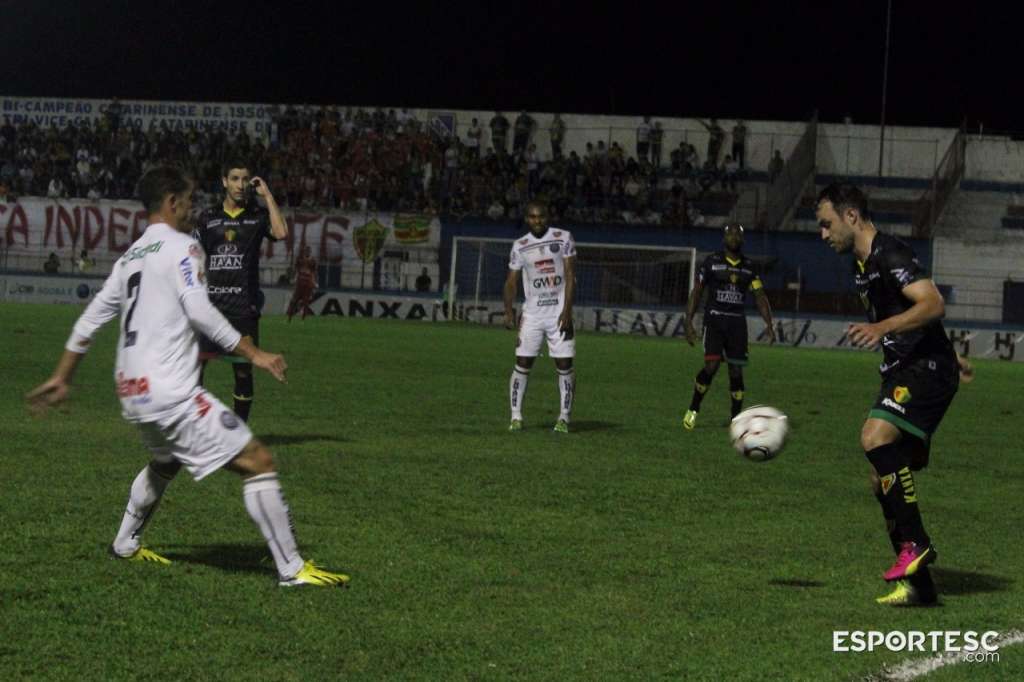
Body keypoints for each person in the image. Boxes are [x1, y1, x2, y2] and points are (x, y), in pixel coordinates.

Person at [25, 166, 347, 587]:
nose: (193, 207)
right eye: (189, 199)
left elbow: (89, 320)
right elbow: (199, 311)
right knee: (259, 462)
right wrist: (255, 353)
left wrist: (62, 376)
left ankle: (125, 542)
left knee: (166, 461)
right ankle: (292, 569)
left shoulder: (130, 256)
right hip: (170, 391)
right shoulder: (183, 247)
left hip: (132, 392)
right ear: (171, 202)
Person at [816, 183, 961, 607]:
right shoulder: (862, 264)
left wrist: (881, 328)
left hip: (925, 371)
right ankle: (921, 588)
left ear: (851, 216)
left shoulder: (890, 253)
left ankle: (917, 543)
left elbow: (932, 303)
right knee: (882, 482)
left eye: (826, 224)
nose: (823, 235)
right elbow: (917, 317)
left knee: (874, 436)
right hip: (909, 368)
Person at [193, 160, 288, 422]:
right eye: (234, 178)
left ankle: (239, 432)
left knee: (243, 372)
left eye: (245, 179)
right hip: (210, 307)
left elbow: (280, 232)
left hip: (243, 308)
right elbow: (194, 256)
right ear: (224, 181)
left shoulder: (257, 216)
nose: (240, 184)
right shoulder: (208, 217)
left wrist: (267, 196)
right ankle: (196, 428)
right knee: (195, 367)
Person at [683, 223, 776, 430]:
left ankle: (736, 419)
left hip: (736, 324)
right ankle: (694, 408)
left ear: (742, 239)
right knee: (712, 366)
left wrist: (769, 323)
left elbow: (760, 296)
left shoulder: (749, 267)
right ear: (724, 238)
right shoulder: (711, 263)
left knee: (736, 371)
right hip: (714, 320)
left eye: (738, 234)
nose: (734, 237)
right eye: (730, 234)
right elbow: (697, 291)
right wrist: (688, 320)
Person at [503, 202, 577, 433]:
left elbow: (570, 275)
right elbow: (511, 281)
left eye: (541, 216)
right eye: (533, 217)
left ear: (548, 217)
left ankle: (564, 418)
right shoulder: (520, 245)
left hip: (558, 313)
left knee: (564, 365)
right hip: (532, 315)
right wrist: (508, 311)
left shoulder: (563, 238)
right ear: (527, 219)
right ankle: (516, 417)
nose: (538, 221)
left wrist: (567, 311)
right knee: (522, 363)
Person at [287, 245, 317, 322]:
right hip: (300, 282)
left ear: (310, 252)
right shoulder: (299, 259)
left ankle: (303, 319)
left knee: (306, 302)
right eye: (306, 250)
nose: (307, 252)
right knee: (294, 300)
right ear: (304, 251)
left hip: (307, 283)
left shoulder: (313, 260)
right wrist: (294, 278)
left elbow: (314, 272)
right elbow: (296, 269)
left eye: (308, 251)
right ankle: (289, 317)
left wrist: (314, 281)